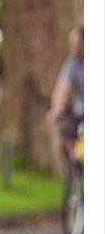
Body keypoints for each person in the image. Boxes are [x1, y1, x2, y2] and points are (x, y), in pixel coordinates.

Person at [46, 24, 84, 162]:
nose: (71, 47)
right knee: (64, 139)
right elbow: (62, 87)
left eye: (74, 43)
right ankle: (76, 173)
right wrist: (57, 107)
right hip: (80, 115)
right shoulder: (73, 63)